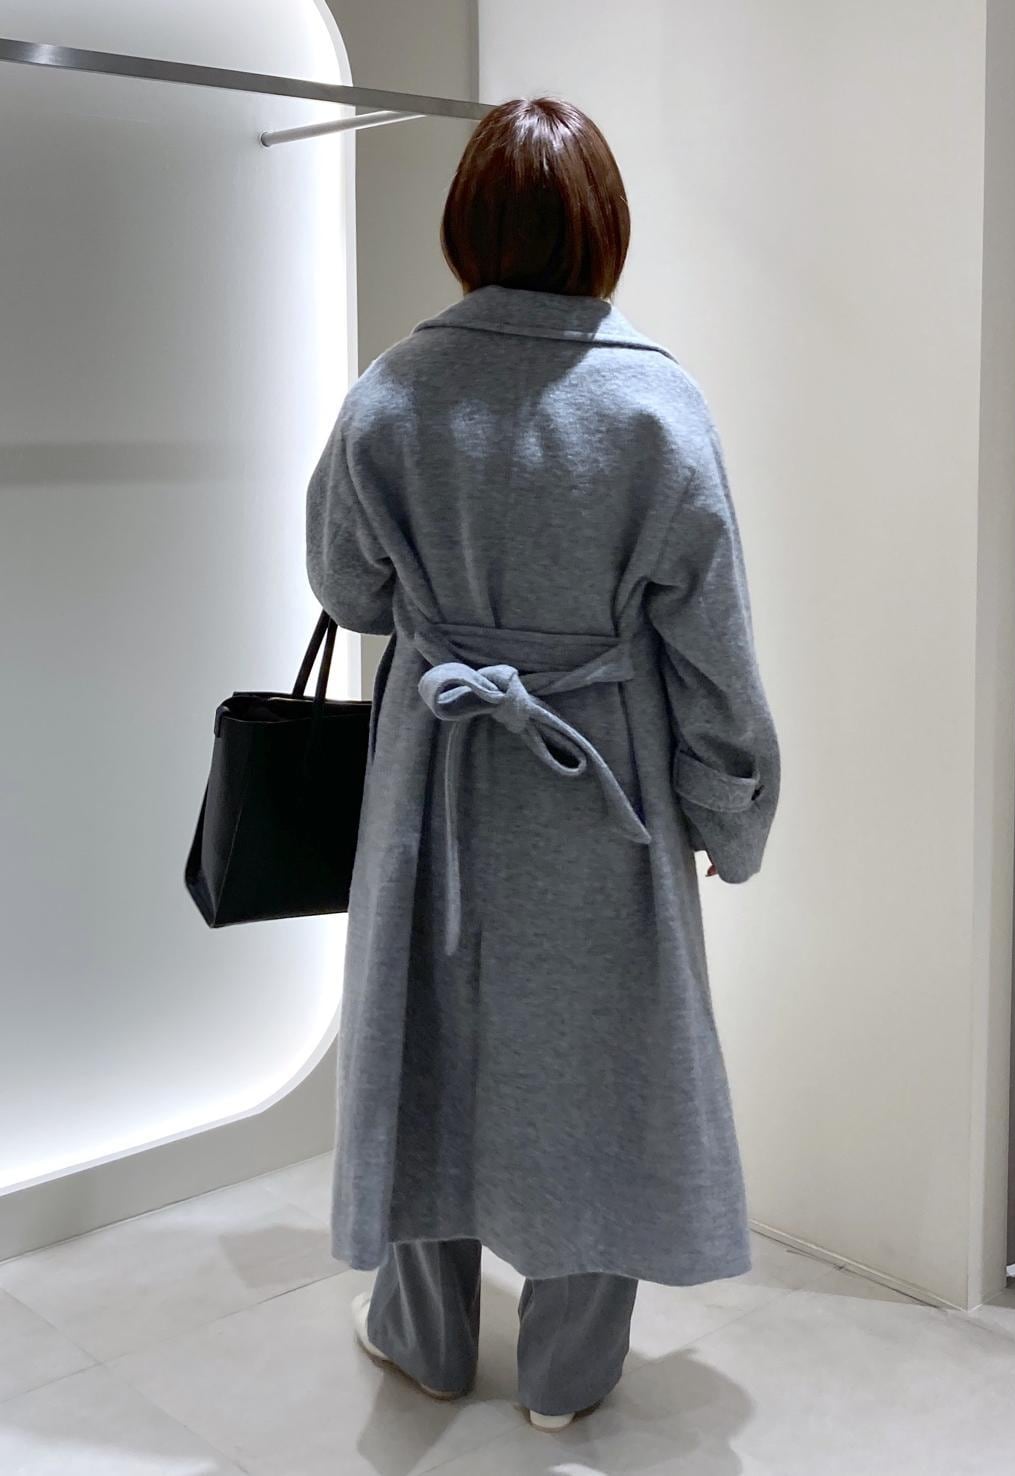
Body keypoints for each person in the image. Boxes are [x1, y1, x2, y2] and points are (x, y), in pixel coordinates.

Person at [305, 95, 780, 1432]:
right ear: (602, 229)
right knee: (599, 1058)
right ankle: (568, 1374)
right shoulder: (654, 403)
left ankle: (426, 1338)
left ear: (465, 226)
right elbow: (712, 643)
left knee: (424, 1038)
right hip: (603, 779)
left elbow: (345, 588)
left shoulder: (390, 393)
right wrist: (725, 807)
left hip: (436, 776)